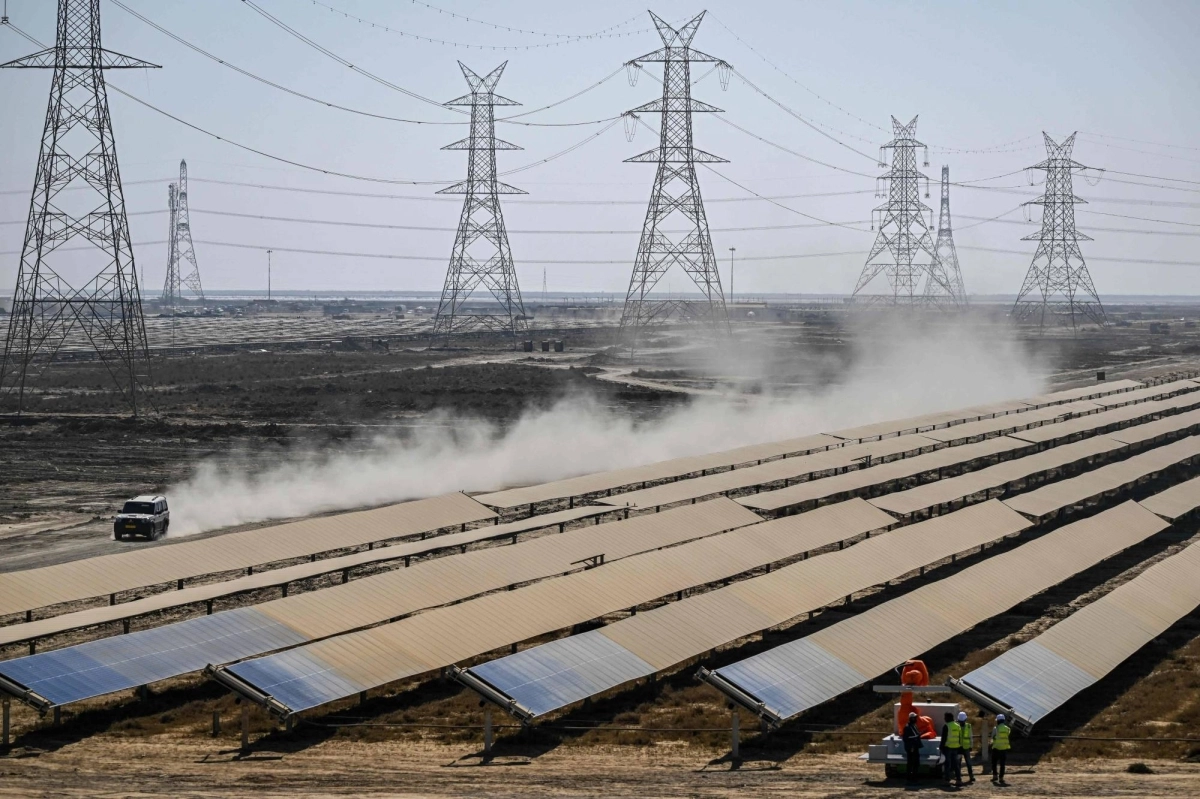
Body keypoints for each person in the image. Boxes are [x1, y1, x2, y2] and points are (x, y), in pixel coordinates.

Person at [940, 711, 964, 787]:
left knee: (947, 765)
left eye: (945, 717)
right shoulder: (958, 726)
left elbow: (943, 738)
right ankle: (959, 780)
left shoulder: (946, 726)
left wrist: (941, 747)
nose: (944, 719)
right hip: (956, 747)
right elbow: (960, 737)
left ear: (948, 718)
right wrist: (960, 747)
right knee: (956, 765)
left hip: (948, 748)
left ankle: (947, 780)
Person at [902, 711, 923, 786]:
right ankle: (909, 779)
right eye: (914, 717)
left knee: (916, 763)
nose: (916, 718)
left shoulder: (914, 726)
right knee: (911, 763)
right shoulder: (907, 727)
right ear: (911, 718)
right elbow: (906, 739)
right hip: (911, 748)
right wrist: (911, 747)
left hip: (915, 747)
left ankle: (914, 778)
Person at [991, 713, 1012, 785]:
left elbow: (992, 737)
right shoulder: (1007, 729)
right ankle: (1001, 777)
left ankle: (995, 776)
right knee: (1002, 764)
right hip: (1004, 748)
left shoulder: (995, 728)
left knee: (994, 763)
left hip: (996, 748)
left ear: (998, 721)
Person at [958, 711, 977, 784]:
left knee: (968, 763)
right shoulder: (957, 726)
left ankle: (971, 776)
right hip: (959, 748)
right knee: (959, 763)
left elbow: (970, 737)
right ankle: (959, 776)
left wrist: (971, 746)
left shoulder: (968, 726)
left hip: (965, 747)